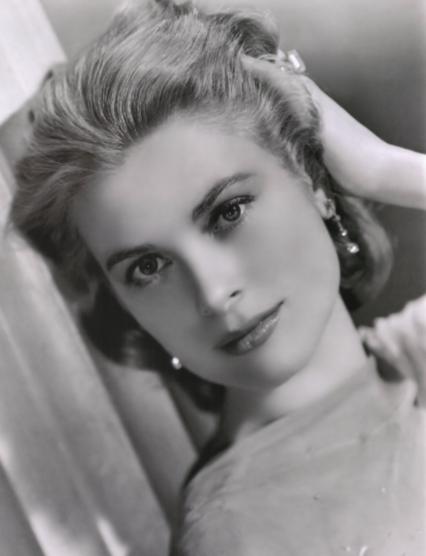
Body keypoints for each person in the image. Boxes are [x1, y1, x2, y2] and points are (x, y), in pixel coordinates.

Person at [9, 1, 425, 554]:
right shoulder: (237, 532)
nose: (212, 292)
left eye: (229, 212)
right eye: (148, 267)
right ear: (122, 301)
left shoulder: (409, 357)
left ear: (312, 177)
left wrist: (384, 167)